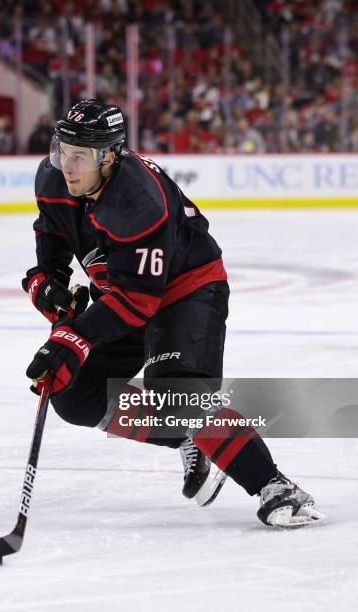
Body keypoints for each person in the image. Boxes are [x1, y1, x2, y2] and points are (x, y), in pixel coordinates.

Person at [23, 99, 323, 527]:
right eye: (61, 150)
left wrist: (73, 339)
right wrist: (47, 284)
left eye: (79, 156)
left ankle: (275, 487)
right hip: (121, 292)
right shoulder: (53, 177)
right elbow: (52, 233)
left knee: (179, 395)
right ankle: (191, 437)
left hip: (185, 290)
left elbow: (138, 303)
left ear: (108, 157)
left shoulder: (139, 200)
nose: (65, 165)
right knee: (74, 397)